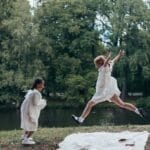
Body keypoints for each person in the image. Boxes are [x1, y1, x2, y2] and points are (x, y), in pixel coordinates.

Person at [72, 50, 145, 124]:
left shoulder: (103, 68)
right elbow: (114, 60)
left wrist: (107, 58)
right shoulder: (109, 65)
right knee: (122, 104)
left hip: (103, 92)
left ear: (100, 64)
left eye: (96, 64)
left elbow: (105, 64)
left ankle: (80, 119)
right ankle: (138, 111)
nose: (95, 66)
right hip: (110, 91)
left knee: (89, 104)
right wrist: (119, 55)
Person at [20, 77, 47, 144]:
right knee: (33, 125)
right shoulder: (37, 93)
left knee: (27, 124)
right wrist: (43, 102)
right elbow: (36, 103)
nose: (43, 86)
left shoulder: (31, 91)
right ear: (38, 85)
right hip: (30, 111)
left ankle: (25, 136)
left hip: (25, 110)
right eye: (42, 84)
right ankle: (26, 140)